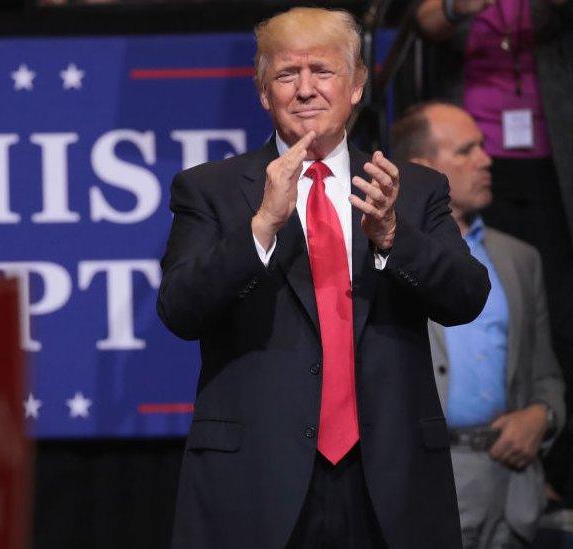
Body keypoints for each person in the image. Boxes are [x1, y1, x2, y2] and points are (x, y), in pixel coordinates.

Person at [157, 7, 490, 549]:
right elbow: (179, 309)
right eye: (287, 75)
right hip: (259, 483)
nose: (305, 89)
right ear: (265, 92)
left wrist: (391, 234)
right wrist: (260, 226)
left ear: (357, 85)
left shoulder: (411, 189)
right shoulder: (211, 190)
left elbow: (466, 297)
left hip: (390, 481)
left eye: (323, 71)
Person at [416, 0, 573, 506]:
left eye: (472, 152)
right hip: (484, 126)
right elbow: (425, 20)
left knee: (548, 310)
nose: (475, 159)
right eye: (467, 152)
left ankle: (549, 466)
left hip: (551, 144)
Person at [389, 102, 566, 548]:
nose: (486, 160)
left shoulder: (519, 259)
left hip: (512, 485)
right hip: (427, 475)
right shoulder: (385, 254)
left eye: (483, 147)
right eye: (466, 150)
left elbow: (546, 375)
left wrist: (541, 416)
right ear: (421, 168)